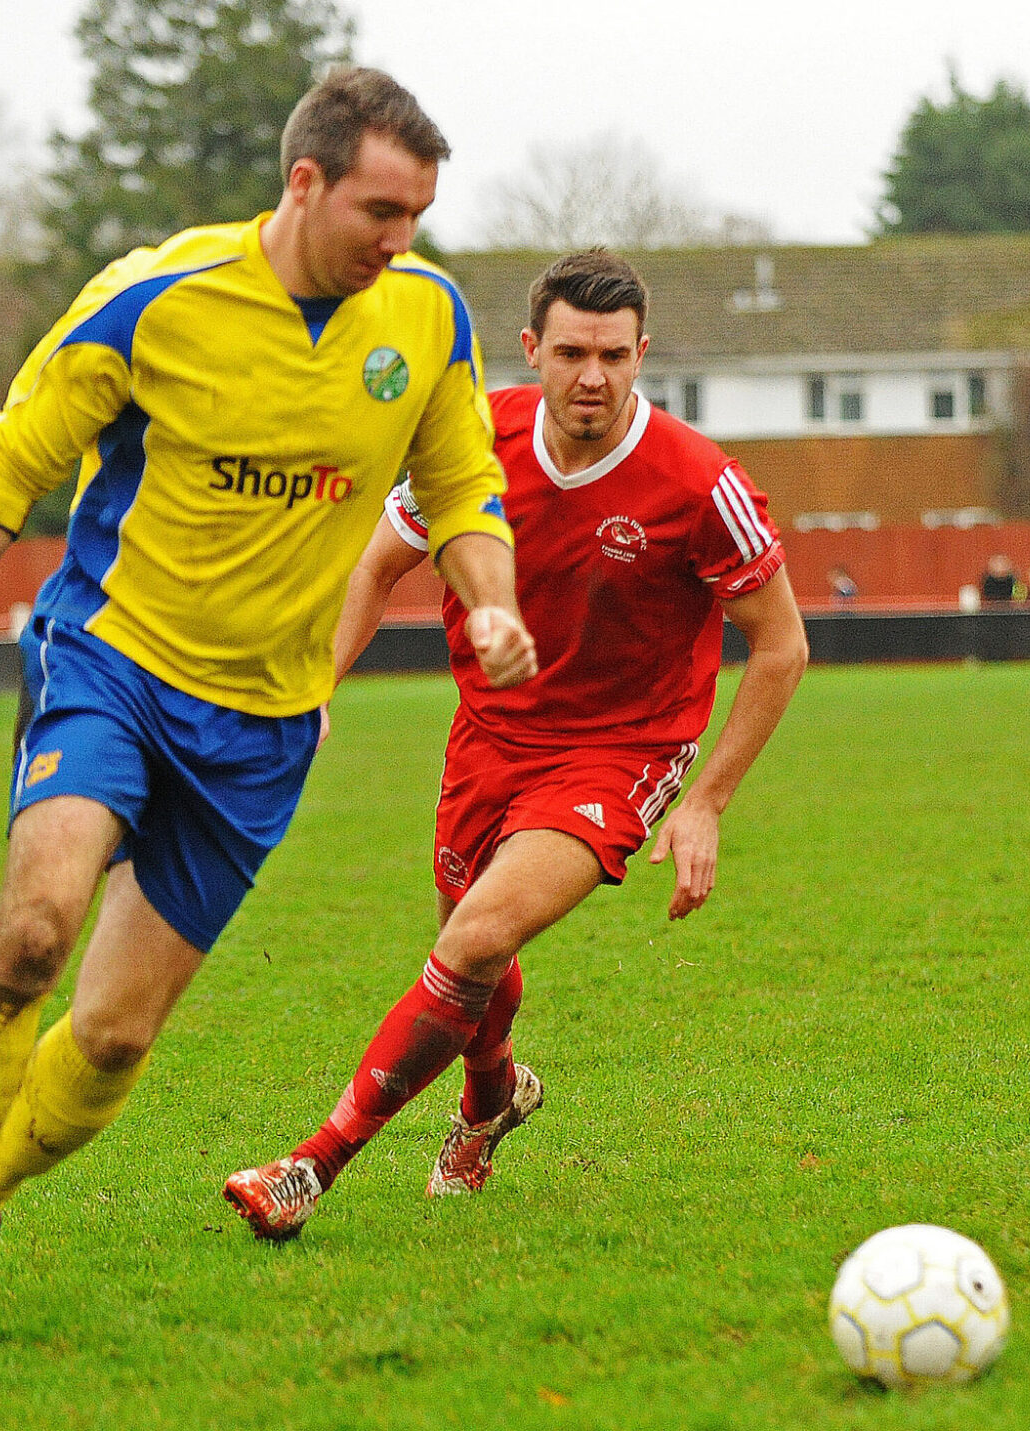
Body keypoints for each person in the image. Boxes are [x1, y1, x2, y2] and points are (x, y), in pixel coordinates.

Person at [0, 67, 536, 1359]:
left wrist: (489, 601)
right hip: (112, 662)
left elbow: (464, 484)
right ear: (303, 180)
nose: (401, 239)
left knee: (109, 1032)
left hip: (263, 725)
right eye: (381, 208)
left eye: (420, 213)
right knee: (34, 924)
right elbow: (9, 468)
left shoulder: (425, 320)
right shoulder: (155, 298)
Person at [223, 249, 809, 1239]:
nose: (594, 377)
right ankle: (488, 1103)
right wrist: (307, 693)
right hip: (489, 736)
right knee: (471, 950)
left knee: (478, 936)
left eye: (615, 356)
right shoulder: (468, 444)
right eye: (573, 352)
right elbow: (374, 570)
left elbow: (781, 645)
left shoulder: (698, 482)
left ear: (641, 355)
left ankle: (310, 1167)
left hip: (619, 753)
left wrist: (705, 800)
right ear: (532, 349)